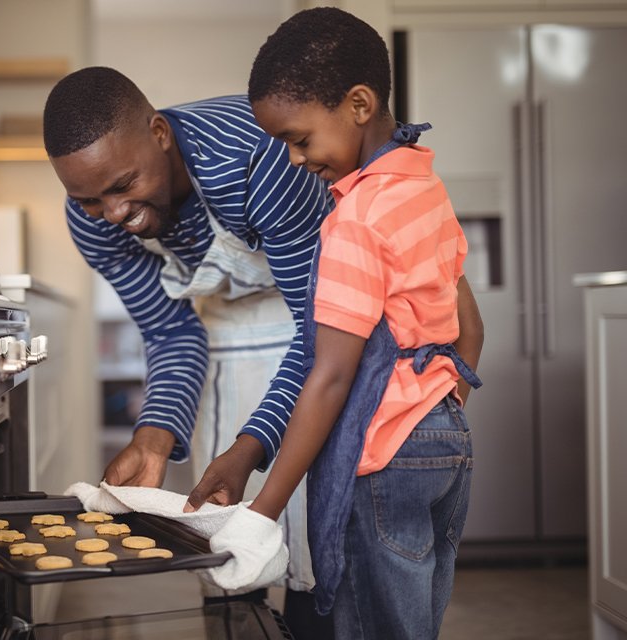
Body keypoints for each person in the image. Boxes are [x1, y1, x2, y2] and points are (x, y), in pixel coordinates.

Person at [187, 8, 485, 640]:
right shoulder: (425, 187)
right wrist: (437, 406)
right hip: (446, 444)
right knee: (415, 618)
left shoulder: (354, 220)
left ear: (357, 104)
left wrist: (263, 511)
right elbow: (469, 324)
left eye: (299, 139)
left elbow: (330, 376)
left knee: (371, 622)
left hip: (382, 455)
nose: (295, 160)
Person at [43, 67, 334, 636]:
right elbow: (173, 333)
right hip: (228, 344)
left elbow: (319, 329)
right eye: (90, 199)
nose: (114, 215)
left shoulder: (256, 155)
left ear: (158, 133)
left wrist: (252, 446)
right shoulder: (91, 218)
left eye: (124, 186)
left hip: (323, 339)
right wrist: (153, 437)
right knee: (229, 570)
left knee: (316, 559)